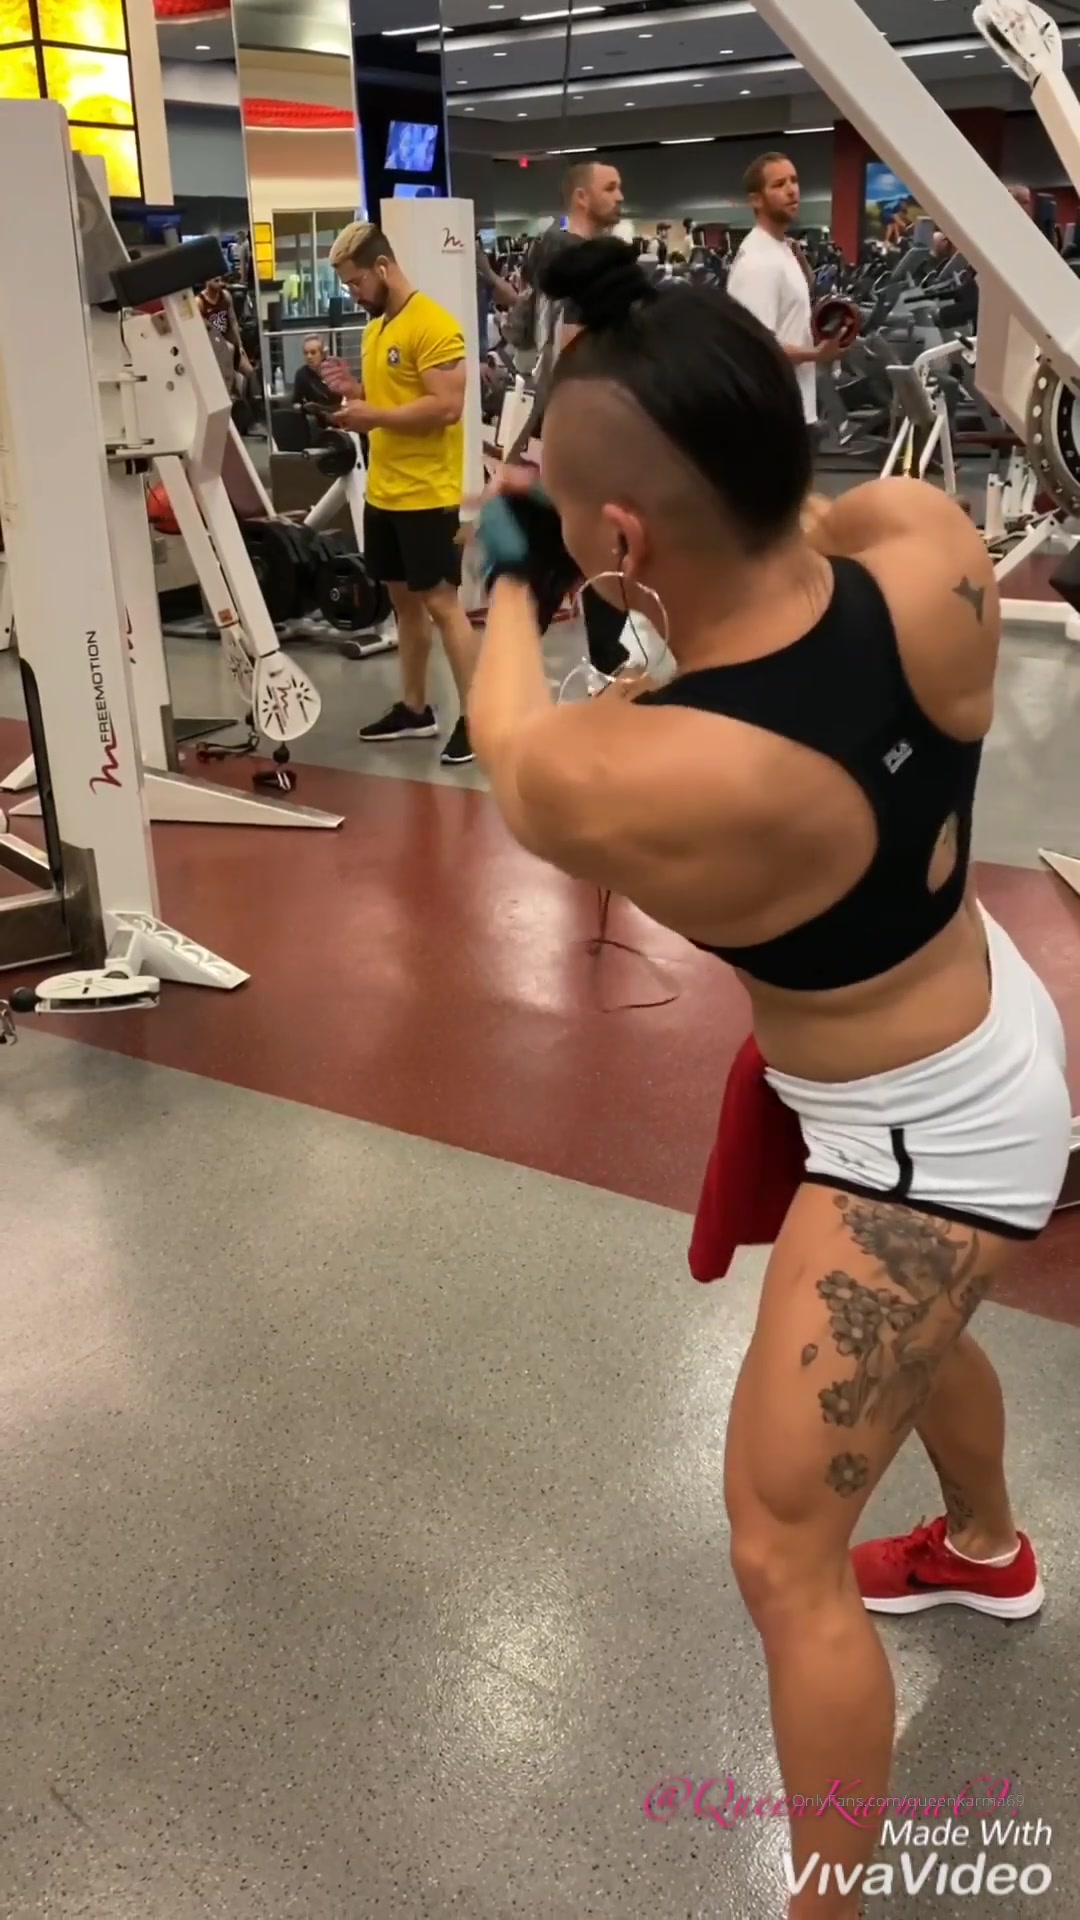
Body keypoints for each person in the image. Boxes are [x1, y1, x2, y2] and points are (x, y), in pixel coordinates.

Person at [465, 239, 1070, 1919]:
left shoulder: (648, 770)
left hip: (916, 1144)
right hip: (989, 1012)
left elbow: (513, 747)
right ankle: (983, 1550)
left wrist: (512, 566)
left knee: (781, 1551)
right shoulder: (925, 544)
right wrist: (610, 517)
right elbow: (791, 538)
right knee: (916, 1345)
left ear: (623, 536)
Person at [328, 221, 477, 766]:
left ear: (383, 268)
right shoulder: (376, 330)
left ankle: (480, 719)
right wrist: (355, 394)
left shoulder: (433, 324)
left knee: (442, 605)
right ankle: (415, 709)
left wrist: (375, 416)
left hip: (427, 493)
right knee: (403, 606)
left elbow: (447, 407)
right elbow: (392, 399)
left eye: (357, 282)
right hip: (385, 492)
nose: (354, 294)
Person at [510, 160, 630, 679]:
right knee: (567, 554)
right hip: (578, 433)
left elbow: (522, 337)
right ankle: (600, 658)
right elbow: (571, 350)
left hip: (559, 428)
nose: (620, 196)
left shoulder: (550, 260)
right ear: (581, 197)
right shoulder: (583, 266)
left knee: (590, 550)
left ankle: (606, 655)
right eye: (611, 188)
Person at [727, 154, 844, 430]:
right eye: (779, 184)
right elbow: (756, 347)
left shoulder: (781, 247)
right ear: (756, 200)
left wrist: (801, 262)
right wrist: (816, 355)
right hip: (772, 414)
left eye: (794, 180)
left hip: (794, 406)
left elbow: (796, 295)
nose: (792, 190)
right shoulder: (758, 262)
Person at [197, 277, 252, 388]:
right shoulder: (199, 302)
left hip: (229, 343)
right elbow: (200, 332)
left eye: (220, 280)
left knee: (250, 373)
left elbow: (233, 321)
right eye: (216, 281)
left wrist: (240, 346)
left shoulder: (225, 295)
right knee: (229, 379)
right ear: (208, 281)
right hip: (214, 347)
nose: (220, 284)